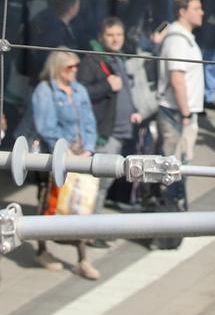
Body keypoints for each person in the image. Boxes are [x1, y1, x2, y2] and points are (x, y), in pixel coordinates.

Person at [31, 49, 100, 279]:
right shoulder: (45, 91)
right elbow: (46, 126)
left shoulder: (79, 90)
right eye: (70, 67)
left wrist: (88, 148)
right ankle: (42, 249)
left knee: (81, 205)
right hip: (58, 157)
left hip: (81, 155)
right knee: (49, 203)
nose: (75, 71)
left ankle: (82, 258)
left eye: (76, 66)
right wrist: (67, 152)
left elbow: (89, 120)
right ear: (58, 68)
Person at [77, 16, 140, 156]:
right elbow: (80, 93)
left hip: (124, 132)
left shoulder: (119, 58)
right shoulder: (92, 61)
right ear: (100, 37)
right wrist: (106, 85)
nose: (115, 39)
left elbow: (125, 91)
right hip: (105, 135)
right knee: (102, 176)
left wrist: (133, 110)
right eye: (110, 35)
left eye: (119, 35)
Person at [158, 0, 206, 164]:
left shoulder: (184, 37)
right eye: (196, 8)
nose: (202, 12)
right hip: (176, 112)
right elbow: (177, 80)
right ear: (182, 12)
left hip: (181, 111)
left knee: (181, 164)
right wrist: (186, 114)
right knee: (176, 167)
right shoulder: (177, 40)